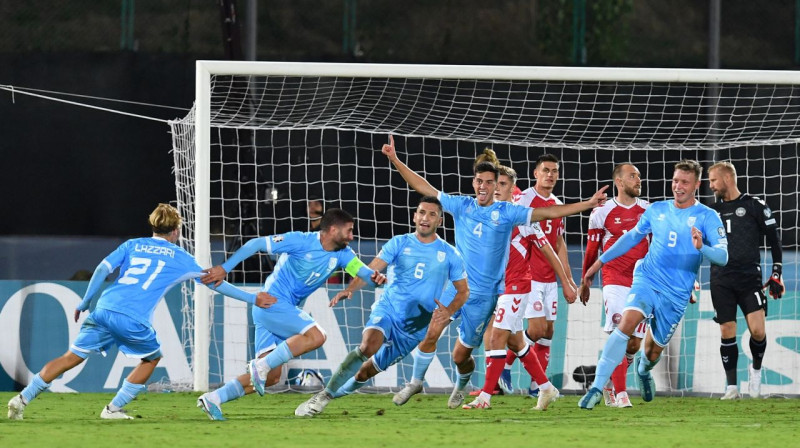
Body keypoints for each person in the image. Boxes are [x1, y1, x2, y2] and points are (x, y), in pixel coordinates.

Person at [380, 135, 609, 409]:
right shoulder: (461, 205)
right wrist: (395, 160)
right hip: (458, 286)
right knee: (436, 330)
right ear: (474, 183)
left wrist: (587, 204)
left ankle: (472, 385)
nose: (486, 187)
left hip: (488, 294)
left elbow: (550, 214)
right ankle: (418, 382)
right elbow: (424, 187)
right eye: (482, 181)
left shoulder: (509, 212)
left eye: (493, 183)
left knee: (464, 354)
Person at [6, 204, 274, 421]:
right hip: (132, 317)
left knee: (70, 357)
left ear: (153, 226)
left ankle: (21, 399)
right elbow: (216, 283)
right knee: (151, 358)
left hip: (104, 307)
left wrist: (85, 301)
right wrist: (251, 298)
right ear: (177, 230)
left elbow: (101, 269)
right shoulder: (181, 257)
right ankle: (112, 410)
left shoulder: (133, 245)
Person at [196, 208, 386, 420]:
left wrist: (376, 278)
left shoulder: (343, 255)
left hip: (274, 311)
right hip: (273, 303)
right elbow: (257, 243)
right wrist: (225, 267)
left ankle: (214, 398)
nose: (352, 236)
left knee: (271, 378)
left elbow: (364, 273)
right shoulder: (300, 241)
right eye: (349, 231)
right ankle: (259, 366)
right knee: (317, 336)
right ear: (333, 230)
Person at [293, 196, 469, 416]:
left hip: (414, 329)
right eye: (422, 212)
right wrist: (350, 289)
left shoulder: (450, 254)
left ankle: (332, 393)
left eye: (432, 214)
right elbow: (370, 269)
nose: (425, 218)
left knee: (364, 374)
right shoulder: (399, 242)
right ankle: (323, 396)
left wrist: (449, 311)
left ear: (439, 221)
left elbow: (463, 291)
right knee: (368, 345)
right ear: (414, 216)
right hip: (388, 310)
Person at [578, 160, 728, 409]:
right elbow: (631, 238)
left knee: (650, 353)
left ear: (697, 185)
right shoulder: (657, 210)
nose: (678, 187)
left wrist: (703, 248)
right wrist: (598, 264)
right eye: (675, 181)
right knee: (624, 325)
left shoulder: (708, 217)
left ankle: (643, 370)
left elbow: (723, 257)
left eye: (685, 182)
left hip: (676, 293)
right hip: (647, 278)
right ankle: (597, 388)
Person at [462, 165, 577, 411]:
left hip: (517, 286)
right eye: (495, 184)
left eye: (503, 185)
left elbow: (549, 248)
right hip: (498, 288)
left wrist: (566, 281)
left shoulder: (521, 217)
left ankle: (484, 397)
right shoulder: (485, 216)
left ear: (513, 190)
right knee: (517, 343)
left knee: (496, 338)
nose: (496, 189)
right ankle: (546, 388)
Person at [707, 161, 783, 400]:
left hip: (750, 278)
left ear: (728, 179)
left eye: (713, 180)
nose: (711, 186)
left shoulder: (754, 205)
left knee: (758, 331)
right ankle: (731, 387)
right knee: (727, 330)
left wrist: (776, 273)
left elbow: (774, 240)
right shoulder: (710, 212)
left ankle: (756, 374)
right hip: (721, 279)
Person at [580, 163, 650, 408]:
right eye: (633, 176)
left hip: (641, 282)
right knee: (620, 333)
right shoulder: (602, 211)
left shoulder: (648, 211)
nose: (638, 180)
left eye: (639, 176)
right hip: (614, 280)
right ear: (619, 182)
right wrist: (585, 280)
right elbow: (592, 249)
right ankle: (620, 394)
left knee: (633, 344)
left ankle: (608, 380)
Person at [512, 154, 579, 397]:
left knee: (549, 332)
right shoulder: (524, 200)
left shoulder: (557, 203)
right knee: (537, 329)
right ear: (535, 173)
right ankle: (505, 366)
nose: (550, 174)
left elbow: (558, 241)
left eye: (554, 171)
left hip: (550, 279)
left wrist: (568, 280)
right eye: (545, 170)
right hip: (529, 276)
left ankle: (536, 386)